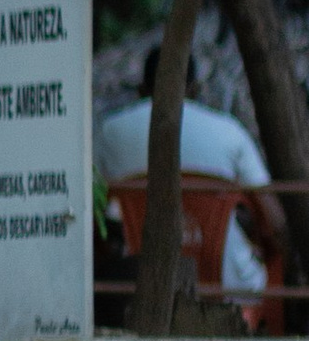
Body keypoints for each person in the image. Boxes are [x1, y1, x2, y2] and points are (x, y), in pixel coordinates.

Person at [95, 48, 286, 318]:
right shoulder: (229, 132)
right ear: (195, 90)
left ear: (141, 90)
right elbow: (276, 224)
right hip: (229, 290)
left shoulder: (110, 132)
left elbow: (89, 210)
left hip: (140, 287)